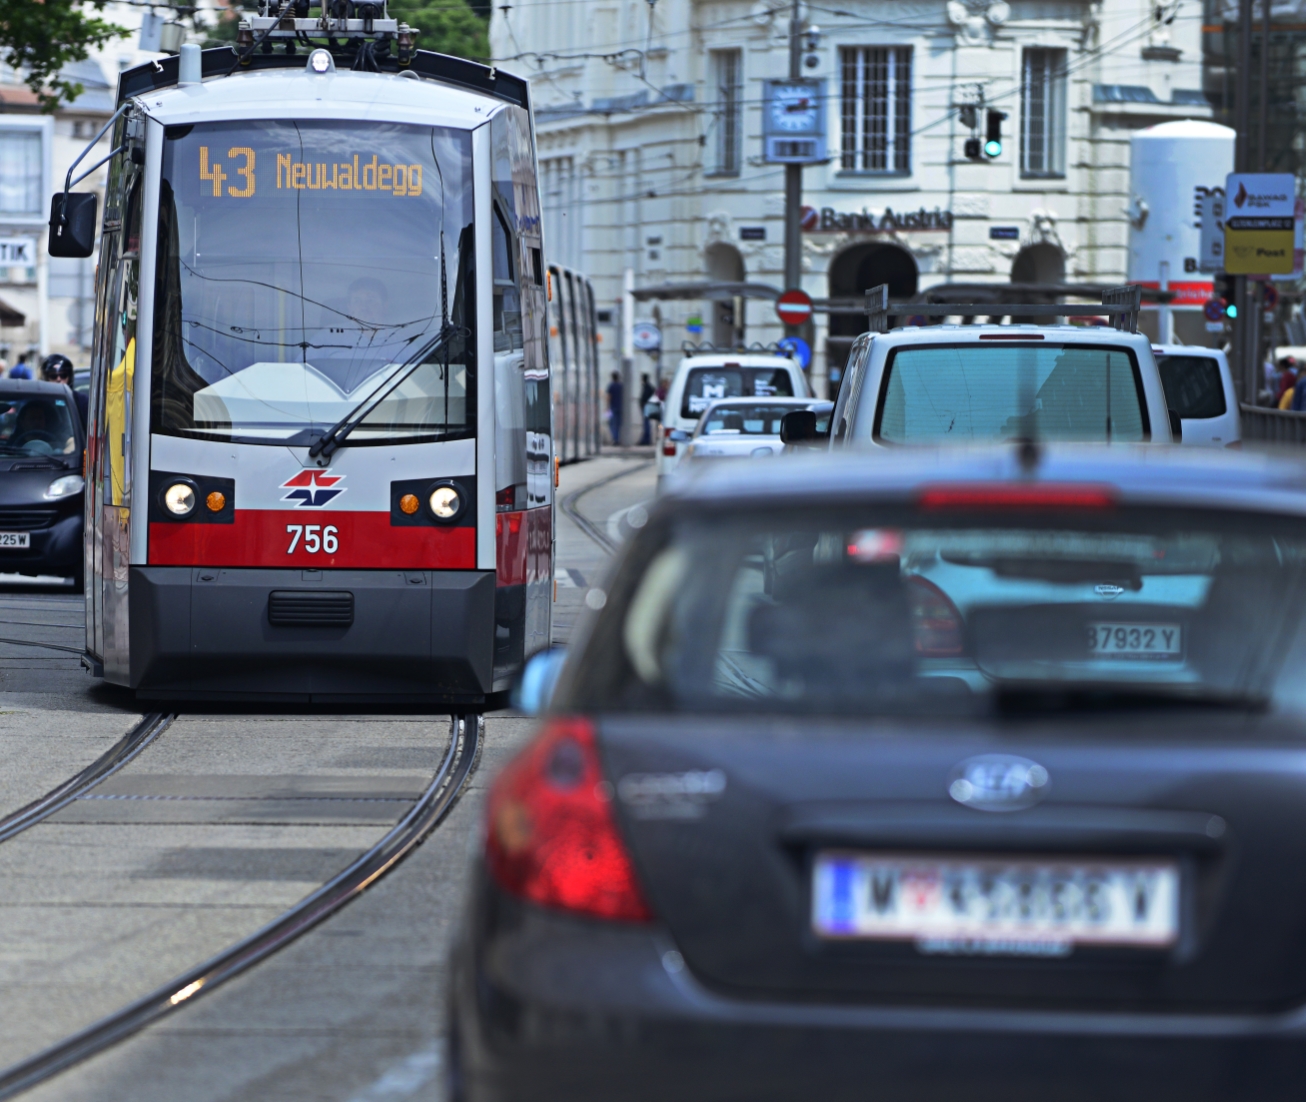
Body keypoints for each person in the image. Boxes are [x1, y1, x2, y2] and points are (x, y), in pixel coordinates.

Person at [41, 354, 87, 425]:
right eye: (53, 376)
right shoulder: (38, 402)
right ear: (46, 378)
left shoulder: (81, 401)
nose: (58, 379)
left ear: (69, 377)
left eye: (63, 375)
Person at [606, 370, 624, 446]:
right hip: (621, 407)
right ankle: (618, 438)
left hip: (613, 407)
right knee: (619, 424)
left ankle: (615, 439)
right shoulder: (621, 386)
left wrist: (607, 407)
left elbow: (609, 397)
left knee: (612, 424)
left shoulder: (611, 386)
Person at [638, 372, 654, 445]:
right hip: (646, 407)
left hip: (646, 407)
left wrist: (644, 403)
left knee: (646, 424)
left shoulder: (647, 387)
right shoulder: (647, 387)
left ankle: (646, 439)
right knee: (646, 423)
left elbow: (645, 397)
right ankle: (646, 439)